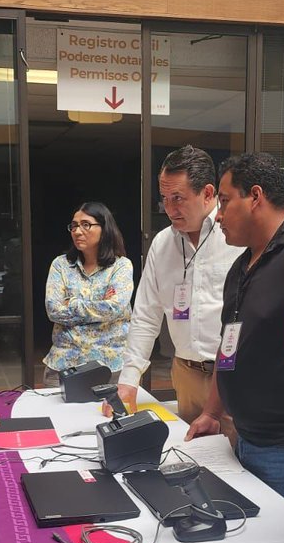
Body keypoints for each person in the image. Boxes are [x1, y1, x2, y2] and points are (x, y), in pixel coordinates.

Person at [185, 154, 284, 517]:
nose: (218, 216)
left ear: (255, 197)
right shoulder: (241, 266)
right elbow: (229, 346)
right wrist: (211, 411)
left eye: (225, 201)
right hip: (245, 440)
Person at [117, 145, 240, 436]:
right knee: (194, 454)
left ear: (207, 193)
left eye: (178, 198)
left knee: (236, 456)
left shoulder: (235, 235)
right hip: (185, 374)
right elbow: (146, 314)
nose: (169, 209)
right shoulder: (162, 244)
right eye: (164, 199)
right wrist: (129, 378)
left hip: (232, 374)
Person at [43, 202, 133, 385]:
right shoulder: (61, 265)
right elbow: (53, 310)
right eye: (74, 225)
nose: (77, 231)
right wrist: (99, 307)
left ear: (105, 228)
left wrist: (72, 303)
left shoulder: (121, 266)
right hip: (64, 363)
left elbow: (114, 308)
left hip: (110, 366)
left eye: (86, 224)